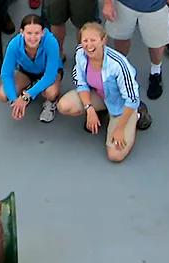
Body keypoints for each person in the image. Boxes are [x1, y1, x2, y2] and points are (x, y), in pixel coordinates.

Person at [57, 22, 152, 162]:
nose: (89, 45)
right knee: (64, 106)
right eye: (85, 40)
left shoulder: (118, 64)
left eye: (93, 40)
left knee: (115, 155)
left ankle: (137, 115)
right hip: (100, 95)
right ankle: (99, 110)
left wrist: (119, 129)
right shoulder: (80, 53)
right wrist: (89, 109)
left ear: (103, 40)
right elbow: (81, 82)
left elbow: (132, 99)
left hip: (122, 105)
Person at [0, 14, 63, 122]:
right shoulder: (14, 45)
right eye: (29, 33)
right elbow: (6, 74)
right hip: (26, 72)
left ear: (43, 32)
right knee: (2, 95)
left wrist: (26, 96)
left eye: (37, 33)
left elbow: (50, 76)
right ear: (22, 32)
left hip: (47, 73)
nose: (33, 38)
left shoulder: (51, 42)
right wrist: (15, 100)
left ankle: (50, 102)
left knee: (51, 93)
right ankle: (30, 85)